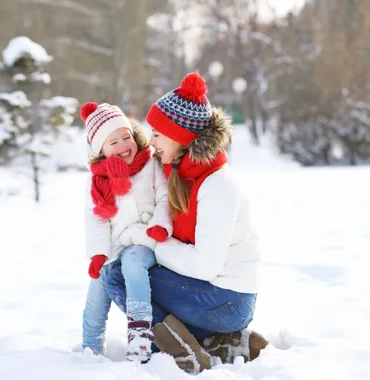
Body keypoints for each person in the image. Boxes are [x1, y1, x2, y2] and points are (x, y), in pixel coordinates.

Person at [103, 72, 269, 374]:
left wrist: (147, 239)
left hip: (227, 299)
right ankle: (218, 342)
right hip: (219, 296)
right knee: (132, 269)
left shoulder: (217, 185)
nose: (152, 141)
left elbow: (205, 266)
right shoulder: (184, 172)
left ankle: (187, 353)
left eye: (158, 133)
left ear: (180, 136)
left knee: (118, 276)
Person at [80, 102, 171, 364]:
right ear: (100, 149)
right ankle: (90, 348)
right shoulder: (96, 181)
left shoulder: (150, 165)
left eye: (126, 137)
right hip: (113, 245)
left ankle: (140, 336)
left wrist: (161, 225)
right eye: (113, 142)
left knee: (133, 263)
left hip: (146, 240)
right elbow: (96, 220)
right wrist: (99, 254)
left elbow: (165, 198)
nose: (123, 146)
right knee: (97, 287)